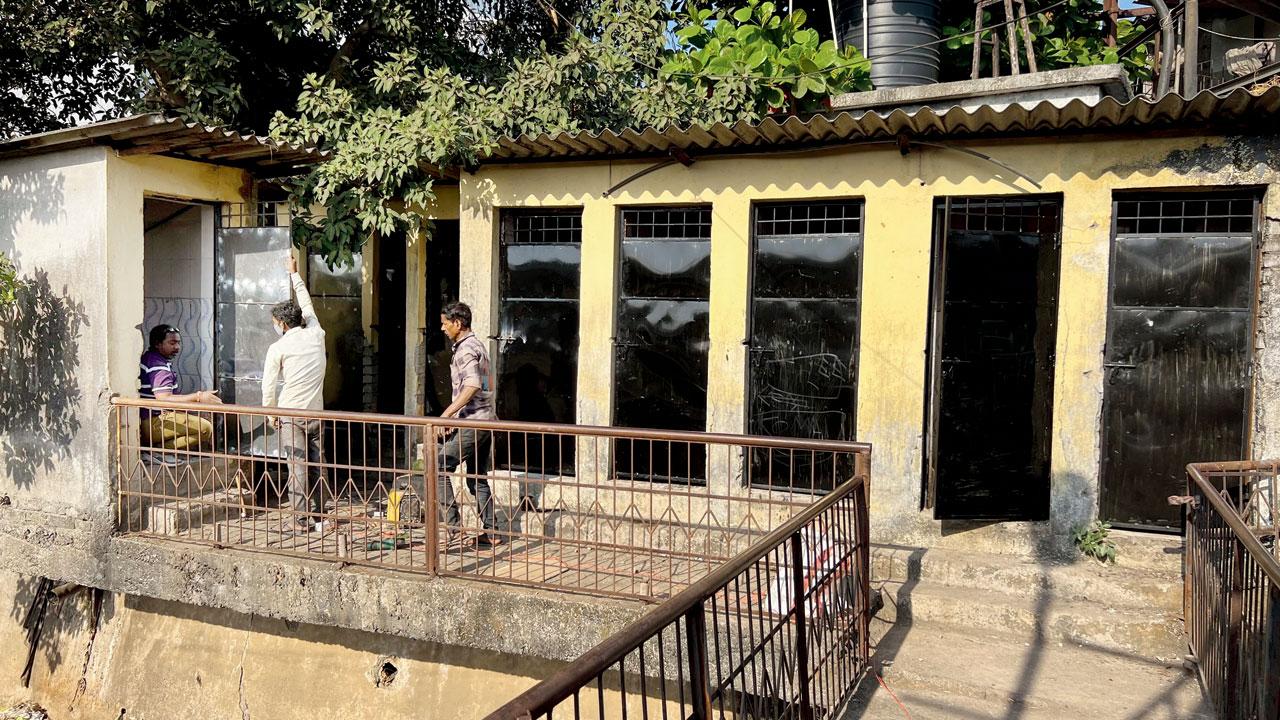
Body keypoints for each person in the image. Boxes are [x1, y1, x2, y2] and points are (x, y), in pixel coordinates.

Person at [262, 254, 328, 534]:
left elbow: (268, 385)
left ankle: (300, 522)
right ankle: (322, 516)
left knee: (297, 467)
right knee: (319, 464)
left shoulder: (278, 348)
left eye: (276, 322)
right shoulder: (316, 333)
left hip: (290, 414)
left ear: (282, 323)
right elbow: (307, 304)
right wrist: (294, 274)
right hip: (317, 413)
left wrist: (270, 413)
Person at [436, 301, 500, 548]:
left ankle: (454, 528)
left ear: (457, 323)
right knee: (476, 478)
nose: (443, 329)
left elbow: (473, 385)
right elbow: (487, 386)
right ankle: (492, 532)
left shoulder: (465, 350)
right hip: (485, 422)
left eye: (444, 323)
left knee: (437, 467)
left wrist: (448, 414)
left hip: (473, 424)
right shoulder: (479, 347)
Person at [138, 324, 221, 464]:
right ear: (158, 344)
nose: (177, 347)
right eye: (172, 343)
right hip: (153, 422)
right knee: (205, 429)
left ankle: (154, 450)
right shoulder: (158, 366)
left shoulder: (151, 358)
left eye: (178, 342)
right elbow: (164, 399)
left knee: (198, 420)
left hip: (151, 419)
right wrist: (199, 397)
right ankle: (158, 451)